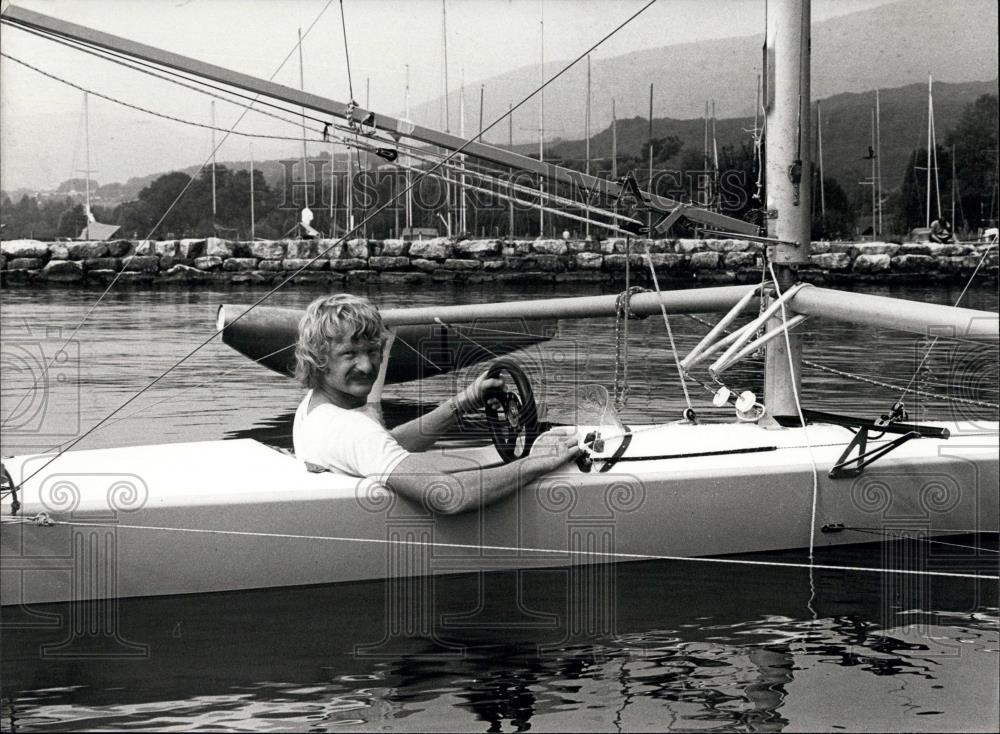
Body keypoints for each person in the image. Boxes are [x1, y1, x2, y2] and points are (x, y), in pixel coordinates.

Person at [293, 294, 580, 514]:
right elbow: (448, 496)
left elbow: (386, 443)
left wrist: (463, 403)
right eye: (349, 354)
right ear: (319, 360)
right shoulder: (351, 430)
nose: (367, 365)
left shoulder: (313, 408)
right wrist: (535, 464)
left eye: (372, 350)